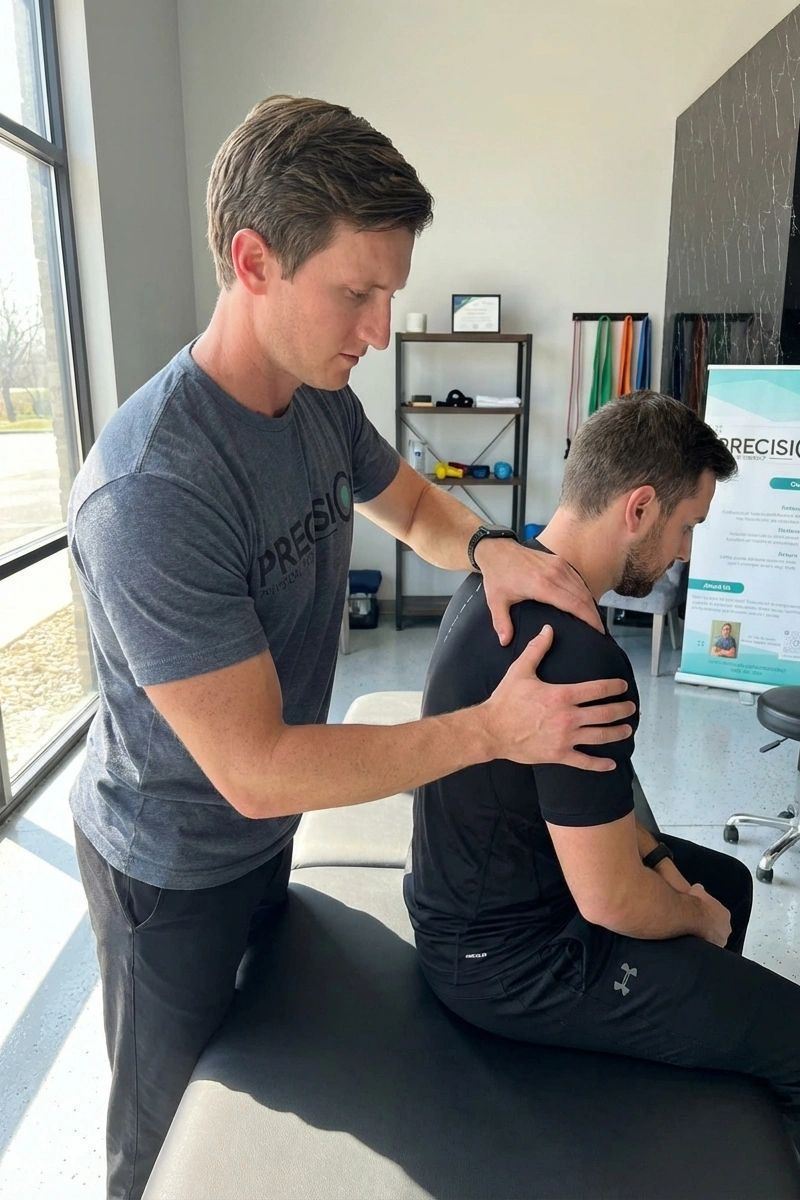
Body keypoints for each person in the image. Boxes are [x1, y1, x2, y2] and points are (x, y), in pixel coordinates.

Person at [67, 95, 635, 1200]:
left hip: (260, 837)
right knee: (157, 1140)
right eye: (355, 293)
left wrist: (491, 549)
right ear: (254, 262)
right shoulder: (155, 488)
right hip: (167, 867)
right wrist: (490, 732)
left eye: (390, 296)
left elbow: (411, 504)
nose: (377, 331)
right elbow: (258, 768)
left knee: (259, 1071)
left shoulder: (315, 396)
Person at [405, 392, 800, 1200]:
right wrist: (690, 917)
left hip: (472, 907)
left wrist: (667, 870)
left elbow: (597, 799)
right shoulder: (579, 654)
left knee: (724, 879)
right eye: (686, 527)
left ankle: (698, 1103)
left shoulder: (497, 579)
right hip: (511, 964)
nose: (685, 552)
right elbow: (608, 899)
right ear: (639, 508)